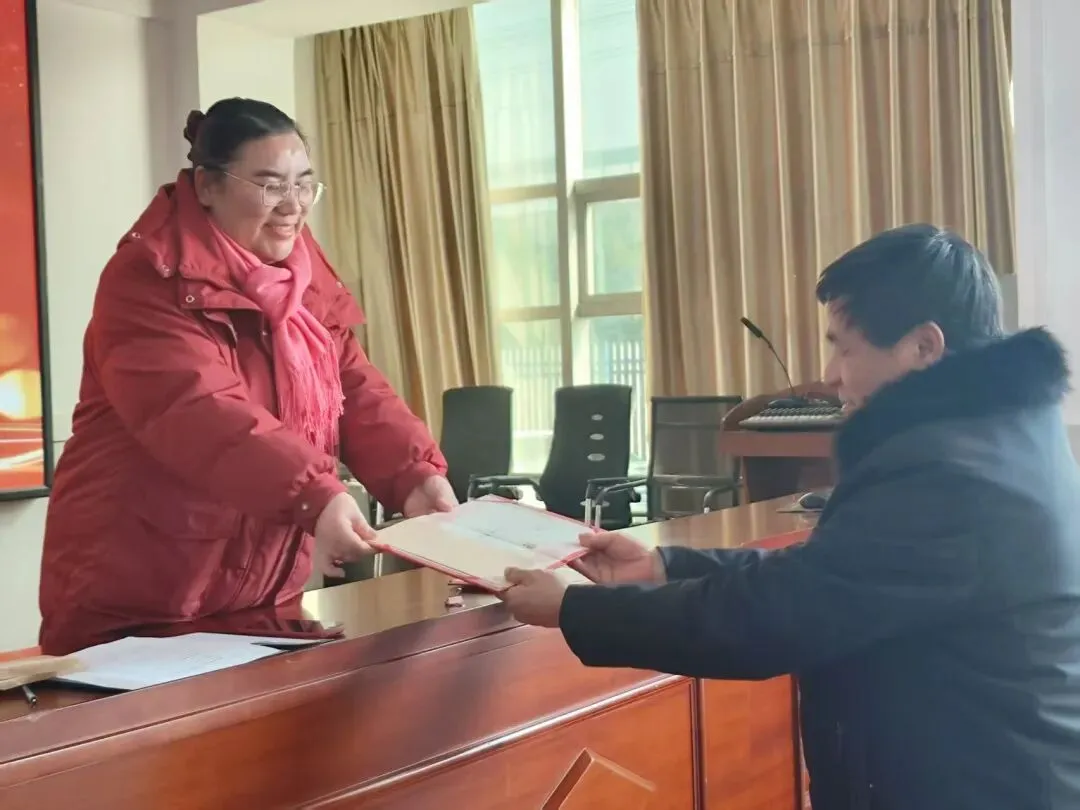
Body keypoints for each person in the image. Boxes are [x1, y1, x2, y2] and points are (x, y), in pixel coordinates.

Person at [499, 225, 1080, 810]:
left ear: (924, 347)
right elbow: (835, 576)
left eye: (845, 348)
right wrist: (662, 566)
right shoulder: (1006, 432)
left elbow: (775, 617)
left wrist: (575, 609)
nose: (830, 373)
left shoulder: (948, 469)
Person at [39, 98, 456, 655]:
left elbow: (352, 387)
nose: (293, 206)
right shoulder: (147, 280)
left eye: (303, 184)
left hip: (259, 597)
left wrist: (414, 476)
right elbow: (200, 410)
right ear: (207, 186)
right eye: (269, 185)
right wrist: (313, 494)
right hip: (138, 600)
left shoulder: (301, 279)